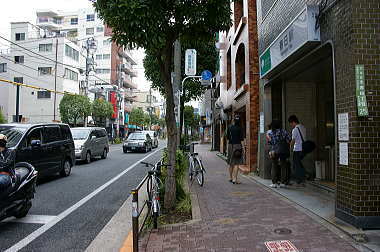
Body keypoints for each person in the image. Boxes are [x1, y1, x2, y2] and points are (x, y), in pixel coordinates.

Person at [267, 120, 291, 188]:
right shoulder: (284, 131)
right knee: (283, 165)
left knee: (274, 165)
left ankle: (274, 183)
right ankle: (283, 183)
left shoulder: (270, 132)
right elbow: (289, 140)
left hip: (274, 151)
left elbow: (270, 142)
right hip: (283, 150)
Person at [288, 115, 307, 187]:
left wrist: (290, 148)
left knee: (296, 166)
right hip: (303, 149)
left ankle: (300, 181)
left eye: (291, 123)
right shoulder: (303, 127)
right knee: (299, 164)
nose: (291, 125)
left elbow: (293, 140)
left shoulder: (295, 129)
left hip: (297, 149)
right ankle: (304, 177)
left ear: (293, 122)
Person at [227, 115, 244, 184]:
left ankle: (230, 178)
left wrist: (227, 148)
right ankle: (235, 179)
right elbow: (242, 139)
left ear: (234, 120)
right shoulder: (240, 128)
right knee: (236, 163)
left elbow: (227, 138)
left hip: (230, 146)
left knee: (231, 163)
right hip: (237, 146)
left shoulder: (229, 127)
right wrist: (243, 148)